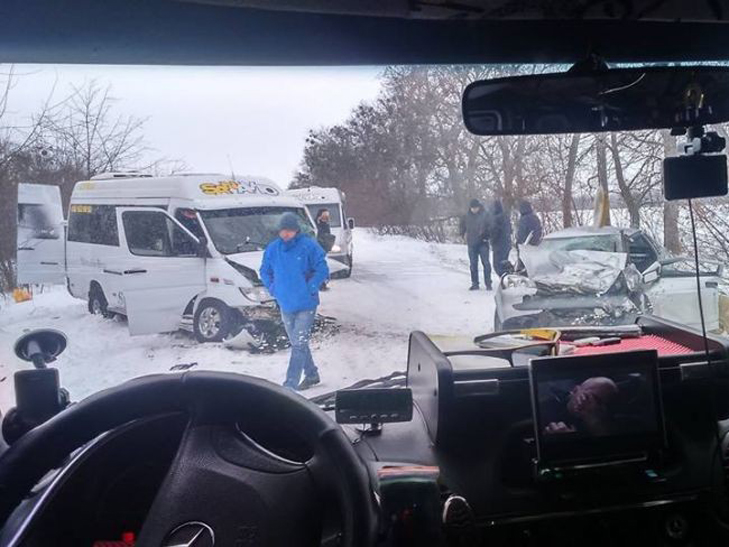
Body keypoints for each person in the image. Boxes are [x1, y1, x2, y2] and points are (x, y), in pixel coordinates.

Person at [260, 212, 329, 390]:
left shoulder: (309, 246)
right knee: (298, 343)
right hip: (285, 303)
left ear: (296, 230)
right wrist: (273, 288)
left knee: (298, 343)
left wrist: (311, 287)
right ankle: (312, 374)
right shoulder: (273, 248)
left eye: (289, 230)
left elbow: (322, 268)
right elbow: (264, 271)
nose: (286, 234)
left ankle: (290, 384)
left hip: (306, 303)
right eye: (283, 230)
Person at [543, 377, 619, 436]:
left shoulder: (609, 425)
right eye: (590, 397)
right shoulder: (546, 409)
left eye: (599, 403)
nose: (594, 406)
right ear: (575, 390)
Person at [459, 198, 492, 291]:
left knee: (486, 263)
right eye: (472, 208)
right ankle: (475, 283)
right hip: (471, 243)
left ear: (479, 207)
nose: (474, 210)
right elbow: (462, 226)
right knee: (473, 264)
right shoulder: (466, 216)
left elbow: (490, 227)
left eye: (475, 208)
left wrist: (487, 236)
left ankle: (488, 283)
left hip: (483, 243)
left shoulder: (485, 215)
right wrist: (462, 234)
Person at [490, 200, 512, 277]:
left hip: (499, 246)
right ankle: (508, 277)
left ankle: (505, 279)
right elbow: (510, 230)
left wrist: (491, 241)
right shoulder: (506, 217)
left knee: (497, 265)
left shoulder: (496, 219)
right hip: (507, 244)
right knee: (504, 264)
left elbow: (494, 233)